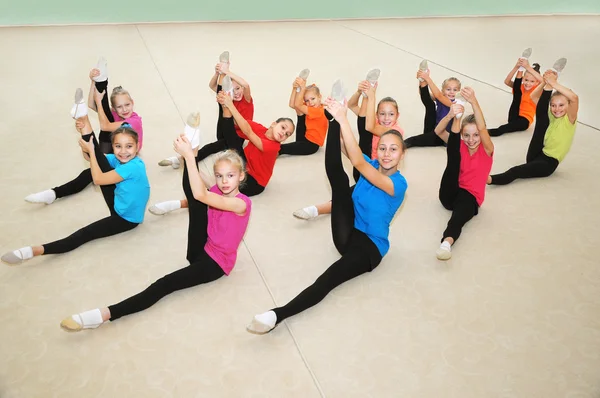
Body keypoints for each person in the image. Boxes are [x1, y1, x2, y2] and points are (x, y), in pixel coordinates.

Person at [246, 82, 407, 334]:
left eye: (393, 149)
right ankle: (333, 118)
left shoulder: (398, 184)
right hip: (348, 229)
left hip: (369, 248)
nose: (386, 154)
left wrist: (343, 118)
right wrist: (334, 119)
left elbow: (356, 159)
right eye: (383, 148)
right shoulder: (371, 163)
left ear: (402, 155)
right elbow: (345, 149)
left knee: (328, 280)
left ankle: (276, 315)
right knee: (339, 180)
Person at [60, 146, 251, 332]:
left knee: (165, 284)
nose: (224, 181)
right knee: (196, 202)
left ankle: (105, 314)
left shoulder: (240, 203)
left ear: (241, 175)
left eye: (230, 175)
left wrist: (189, 158)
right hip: (203, 246)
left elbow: (200, 193)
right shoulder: (219, 189)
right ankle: (189, 152)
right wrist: (189, 156)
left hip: (215, 263)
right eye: (219, 175)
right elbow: (198, 185)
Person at [2, 117, 150, 265]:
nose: (123, 151)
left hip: (125, 219)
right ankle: (53, 193)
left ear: (137, 147)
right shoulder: (119, 159)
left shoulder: (134, 166)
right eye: (118, 146)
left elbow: (98, 179)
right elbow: (94, 158)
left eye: (129, 146)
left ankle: (33, 251)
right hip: (120, 200)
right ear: (113, 146)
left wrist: (92, 152)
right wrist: (84, 138)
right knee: (91, 169)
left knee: (85, 234)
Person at [488, 67, 578, 186]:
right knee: (542, 117)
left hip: (548, 163)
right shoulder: (552, 116)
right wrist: (545, 82)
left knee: (516, 171)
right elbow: (534, 97)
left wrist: (554, 83)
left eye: (561, 105)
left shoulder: (569, 119)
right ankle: (549, 87)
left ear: (568, 105)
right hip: (537, 153)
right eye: (553, 105)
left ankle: (489, 179)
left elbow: (574, 98)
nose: (557, 109)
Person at [432, 88, 494, 260]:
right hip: (449, 192)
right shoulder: (460, 145)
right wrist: (451, 115)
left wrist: (473, 102)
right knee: (454, 155)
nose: (471, 140)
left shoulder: (487, 149)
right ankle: (457, 119)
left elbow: (482, 128)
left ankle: (446, 243)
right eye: (466, 135)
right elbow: (438, 131)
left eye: (475, 135)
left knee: (457, 218)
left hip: (469, 198)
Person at [488, 58, 542, 137]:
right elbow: (507, 81)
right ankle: (520, 69)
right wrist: (516, 67)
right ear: (523, 78)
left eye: (532, 81)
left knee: (504, 128)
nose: (528, 83)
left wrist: (528, 67)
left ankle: (491, 132)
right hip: (513, 115)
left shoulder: (537, 91)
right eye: (526, 80)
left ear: (537, 82)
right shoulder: (520, 87)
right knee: (517, 90)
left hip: (524, 120)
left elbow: (544, 82)